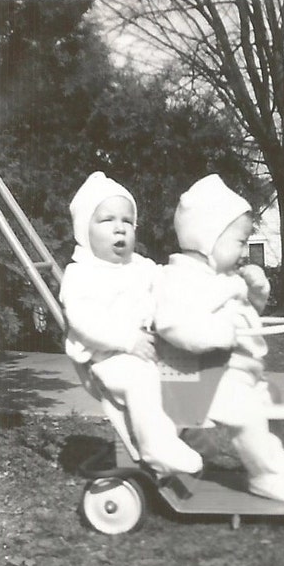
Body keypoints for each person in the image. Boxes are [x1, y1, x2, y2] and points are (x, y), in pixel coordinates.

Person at [155, 174, 284, 503]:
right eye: (240, 241)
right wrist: (219, 334)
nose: (244, 250)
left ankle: (277, 464)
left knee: (269, 406)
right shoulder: (179, 280)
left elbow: (246, 318)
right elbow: (172, 324)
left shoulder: (222, 277)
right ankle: (265, 476)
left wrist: (255, 292)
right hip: (203, 374)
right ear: (210, 238)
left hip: (238, 371)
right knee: (247, 414)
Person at [59, 171, 203, 475]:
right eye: (107, 220)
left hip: (143, 349)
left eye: (127, 220)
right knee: (141, 380)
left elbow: (165, 283)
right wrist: (127, 340)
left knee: (190, 368)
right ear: (84, 230)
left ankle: (184, 433)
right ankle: (155, 446)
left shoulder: (140, 266)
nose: (119, 228)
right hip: (108, 358)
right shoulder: (81, 274)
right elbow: (84, 320)